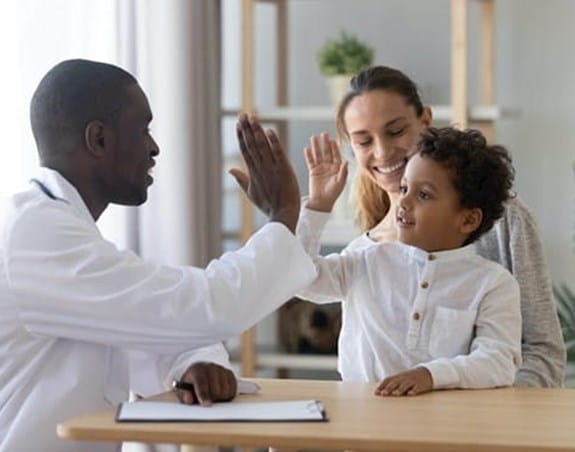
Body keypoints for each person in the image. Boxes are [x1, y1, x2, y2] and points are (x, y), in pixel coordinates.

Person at [0, 59, 317, 452]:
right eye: (143, 129)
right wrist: (283, 215)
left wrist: (194, 362)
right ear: (98, 139)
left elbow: (143, 322)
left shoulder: (55, 228)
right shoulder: (37, 235)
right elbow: (203, 305)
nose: (154, 147)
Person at [331, 65, 565, 387]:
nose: (382, 152)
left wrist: (485, 422)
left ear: (425, 121)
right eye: (363, 141)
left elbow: (542, 352)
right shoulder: (364, 254)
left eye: (396, 131)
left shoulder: (504, 219)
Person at [297, 126, 522, 395]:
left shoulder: (493, 283)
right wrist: (317, 208)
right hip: (360, 419)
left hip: (443, 428)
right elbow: (300, 279)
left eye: (423, 194)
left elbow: (498, 362)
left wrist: (431, 375)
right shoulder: (366, 260)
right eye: (404, 188)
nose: (403, 202)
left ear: (468, 219)